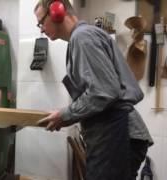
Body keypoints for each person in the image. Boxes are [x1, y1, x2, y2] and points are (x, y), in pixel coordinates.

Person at [34, 0, 153, 180]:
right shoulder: (81, 38)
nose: (41, 28)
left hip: (116, 133)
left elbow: (103, 92)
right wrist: (67, 117)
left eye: (41, 22)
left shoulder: (83, 38)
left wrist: (65, 115)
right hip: (112, 134)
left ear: (57, 11)